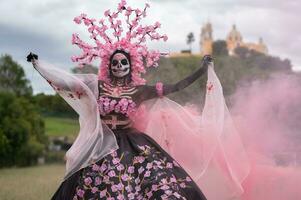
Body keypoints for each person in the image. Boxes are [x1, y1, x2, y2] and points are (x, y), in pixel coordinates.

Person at [27, 1, 249, 199]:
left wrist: (202, 70)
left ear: (131, 65)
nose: (119, 66)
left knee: (157, 185)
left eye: (124, 63)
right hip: (102, 145)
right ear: (109, 65)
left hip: (134, 144)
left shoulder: (139, 91)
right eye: (115, 63)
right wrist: (40, 66)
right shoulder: (98, 85)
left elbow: (176, 86)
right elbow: (69, 84)